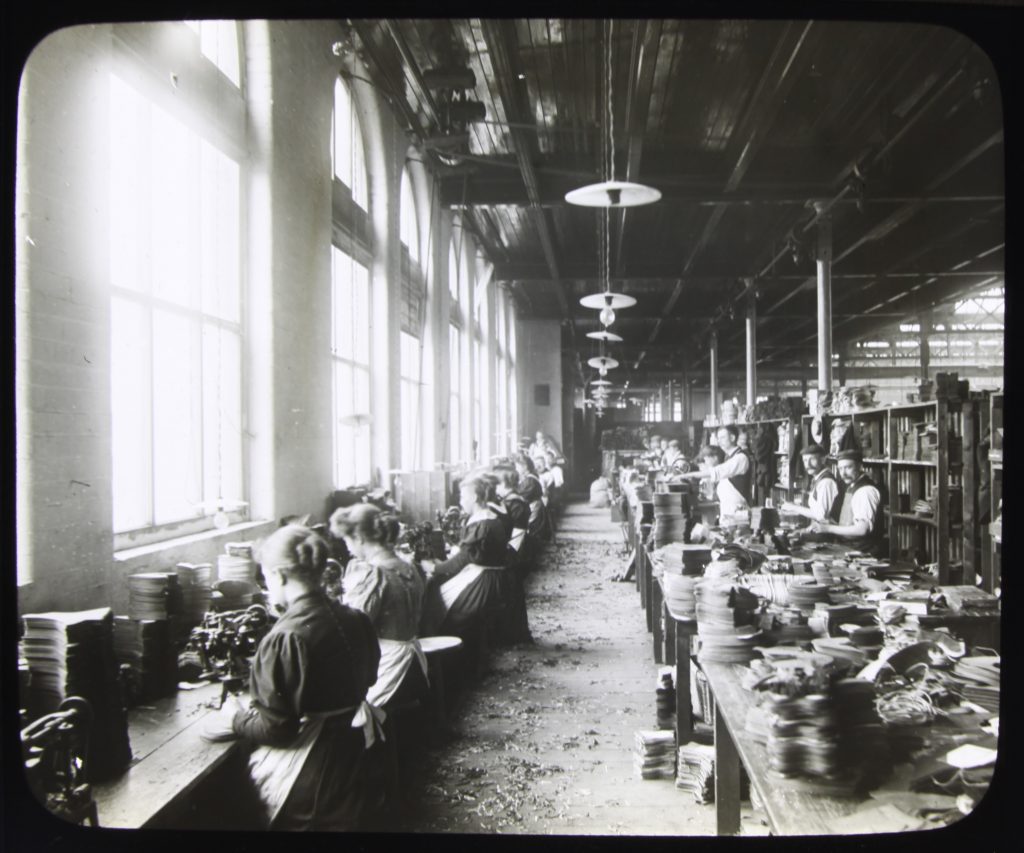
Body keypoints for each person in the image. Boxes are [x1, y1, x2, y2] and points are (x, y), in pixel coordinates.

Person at [220, 524, 382, 831]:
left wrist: (237, 718)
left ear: (279, 576)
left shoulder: (286, 637)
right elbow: (370, 678)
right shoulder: (356, 619)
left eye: (266, 577)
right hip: (355, 756)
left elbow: (278, 730)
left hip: (309, 774)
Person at [329, 505, 427, 711]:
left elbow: (352, 629)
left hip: (390, 668)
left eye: (347, 539)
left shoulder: (375, 575)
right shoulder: (408, 566)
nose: (347, 547)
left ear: (360, 538)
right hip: (414, 663)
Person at [420, 474, 510, 638]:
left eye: (462, 497)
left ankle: (442, 653)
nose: (460, 501)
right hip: (492, 578)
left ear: (474, 497)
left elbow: (463, 559)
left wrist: (434, 567)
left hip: (483, 582)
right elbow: (470, 555)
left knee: (438, 601)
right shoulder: (490, 517)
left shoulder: (481, 523)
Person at [809, 449, 886, 556]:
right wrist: (826, 523)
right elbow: (849, 522)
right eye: (840, 469)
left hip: (864, 552)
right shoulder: (852, 486)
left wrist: (828, 528)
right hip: (849, 547)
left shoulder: (865, 491)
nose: (843, 473)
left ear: (860, 467)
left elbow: (862, 529)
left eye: (848, 467)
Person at [677, 426, 752, 518]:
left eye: (723, 437)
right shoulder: (729, 457)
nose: (719, 441)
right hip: (729, 511)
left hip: (738, 512)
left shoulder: (740, 458)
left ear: (732, 438)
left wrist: (685, 475)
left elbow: (717, 471)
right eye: (718, 438)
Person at [780, 444, 841, 523]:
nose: (807, 465)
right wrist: (795, 506)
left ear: (823, 460)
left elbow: (822, 516)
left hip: (827, 531)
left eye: (812, 459)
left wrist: (794, 508)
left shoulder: (826, 482)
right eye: (805, 460)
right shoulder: (818, 478)